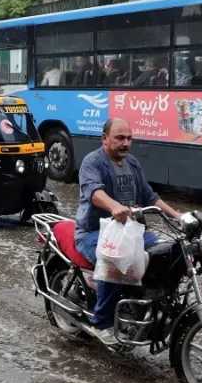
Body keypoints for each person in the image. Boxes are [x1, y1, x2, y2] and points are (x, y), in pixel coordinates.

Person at [74, 117, 181, 342]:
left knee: (166, 254)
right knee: (116, 261)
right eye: (120, 138)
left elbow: (149, 196)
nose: (126, 143)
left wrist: (178, 216)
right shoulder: (92, 162)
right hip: (95, 233)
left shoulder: (132, 163)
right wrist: (114, 206)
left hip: (131, 231)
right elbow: (94, 192)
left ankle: (146, 306)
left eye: (129, 138)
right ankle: (101, 323)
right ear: (105, 139)